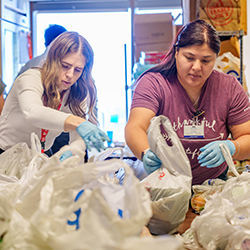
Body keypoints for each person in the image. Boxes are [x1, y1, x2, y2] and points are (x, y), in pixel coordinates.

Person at [125, 19, 250, 186]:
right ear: (177, 52)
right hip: (166, 183)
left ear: (215, 59)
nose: (197, 67)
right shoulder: (154, 84)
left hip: (213, 185)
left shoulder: (229, 87)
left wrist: (232, 147)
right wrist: (145, 152)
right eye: (189, 57)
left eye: (206, 61)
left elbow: (246, 136)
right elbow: (135, 126)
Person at [0, 31, 110, 159]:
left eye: (77, 70)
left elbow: (77, 137)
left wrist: (73, 149)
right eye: (65, 66)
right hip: (5, 154)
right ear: (53, 60)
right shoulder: (31, 78)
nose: (70, 74)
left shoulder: (77, 92)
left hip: (41, 155)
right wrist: (78, 122)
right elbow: (33, 112)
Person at [17, 24, 68, 156]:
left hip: (32, 133)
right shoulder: (37, 68)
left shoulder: (28, 65)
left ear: (45, 42)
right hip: (56, 130)